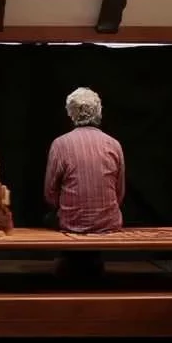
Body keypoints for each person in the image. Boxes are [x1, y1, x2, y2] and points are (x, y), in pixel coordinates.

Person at [43, 87, 126, 278]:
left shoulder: (60, 144)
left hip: (71, 222)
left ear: (71, 113)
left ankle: (71, 263)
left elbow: (49, 193)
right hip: (108, 222)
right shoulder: (114, 144)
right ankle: (92, 263)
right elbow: (119, 192)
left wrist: (64, 207)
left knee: (49, 217)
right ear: (98, 112)